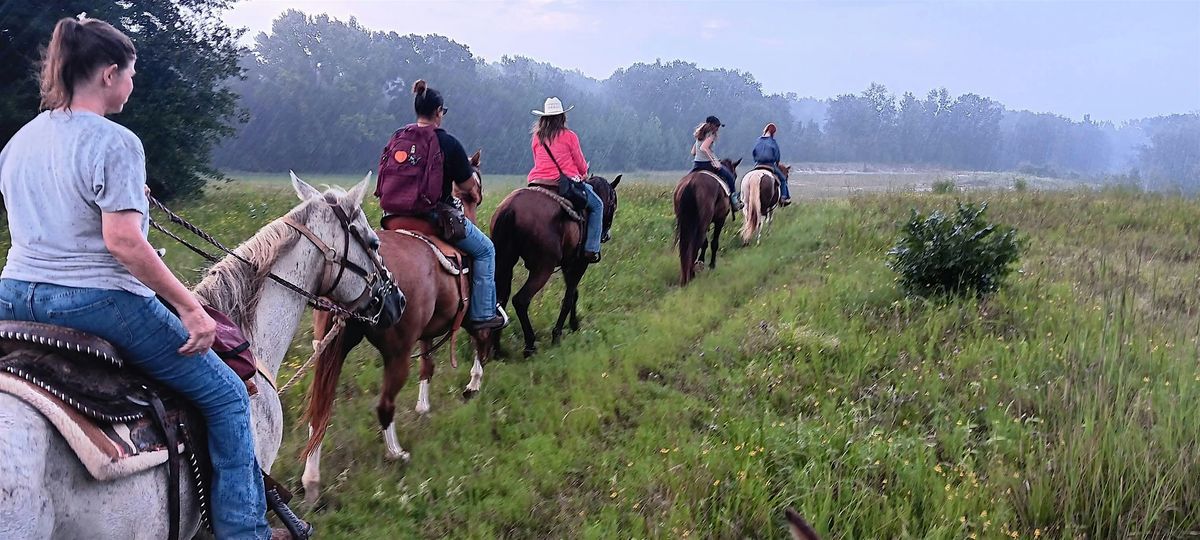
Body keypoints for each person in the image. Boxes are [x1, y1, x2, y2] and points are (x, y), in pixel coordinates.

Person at [0, 17, 274, 539]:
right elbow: (123, 243)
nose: (132, 83)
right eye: (131, 73)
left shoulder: (20, 141)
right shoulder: (116, 142)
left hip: (13, 296)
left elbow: (50, 217)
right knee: (228, 397)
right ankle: (244, 531)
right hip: (95, 301)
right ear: (108, 74)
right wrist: (190, 306)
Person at [377, 80, 507, 332]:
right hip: (431, 219)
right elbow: (468, 184)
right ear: (438, 112)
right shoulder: (447, 143)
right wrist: (473, 190)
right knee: (486, 250)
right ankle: (482, 314)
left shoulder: (398, 137)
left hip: (391, 218)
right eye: (442, 112)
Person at [527, 97, 604, 263]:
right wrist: (583, 172)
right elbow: (581, 165)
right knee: (598, 205)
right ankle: (592, 249)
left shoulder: (537, 137)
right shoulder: (570, 136)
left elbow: (537, 161)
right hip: (563, 183)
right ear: (562, 117)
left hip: (537, 182)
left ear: (544, 118)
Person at [690, 115, 742, 210]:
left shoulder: (699, 136)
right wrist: (713, 161)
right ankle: (735, 202)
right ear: (711, 125)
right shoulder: (711, 135)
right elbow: (704, 148)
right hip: (707, 164)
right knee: (730, 177)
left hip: (697, 164)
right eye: (717, 126)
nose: (718, 128)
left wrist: (700, 156)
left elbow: (693, 152)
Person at [752, 122, 792, 206]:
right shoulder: (773, 142)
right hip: (769, 165)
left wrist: (756, 161)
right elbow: (777, 156)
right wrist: (776, 163)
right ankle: (783, 198)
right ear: (773, 133)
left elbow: (754, 152)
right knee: (783, 180)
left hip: (758, 165)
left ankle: (740, 197)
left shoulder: (758, 140)